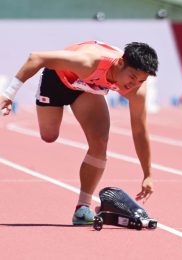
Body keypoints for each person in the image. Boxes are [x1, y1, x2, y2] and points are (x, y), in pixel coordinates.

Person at [0, 40, 158, 225]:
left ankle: (82, 208)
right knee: (49, 135)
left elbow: (139, 130)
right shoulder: (88, 61)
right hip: (58, 81)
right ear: (120, 63)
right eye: (132, 77)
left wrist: (147, 174)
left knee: (100, 141)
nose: (134, 85)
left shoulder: (137, 89)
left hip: (87, 90)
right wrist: (8, 94)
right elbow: (36, 57)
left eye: (141, 80)